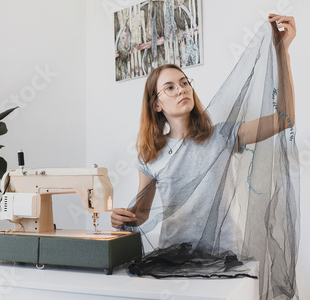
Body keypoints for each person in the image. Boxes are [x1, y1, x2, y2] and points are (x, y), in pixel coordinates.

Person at [111, 13, 296, 243]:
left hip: (225, 256)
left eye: (184, 82)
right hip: (174, 257)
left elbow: (283, 120)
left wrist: (282, 52)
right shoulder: (151, 155)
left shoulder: (222, 136)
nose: (181, 90)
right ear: (156, 105)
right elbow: (140, 214)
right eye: (169, 87)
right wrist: (121, 218)